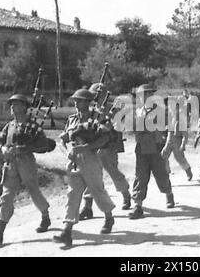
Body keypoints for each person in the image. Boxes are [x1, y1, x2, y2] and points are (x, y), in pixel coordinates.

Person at [0, 94, 51, 246]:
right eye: (11, 105)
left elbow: (44, 144)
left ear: (24, 107)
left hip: (26, 162)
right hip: (10, 163)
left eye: (16, 104)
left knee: (34, 191)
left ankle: (45, 215)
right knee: (6, 196)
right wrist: (3, 148)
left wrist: (25, 148)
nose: (12, 107)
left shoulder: (34, 126)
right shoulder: (10, 126)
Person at [53, 89, 115, 247]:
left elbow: (106, 138)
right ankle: (67, 230)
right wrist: (67, 152)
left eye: (79, 100)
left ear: (87, 102)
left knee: (97, 190)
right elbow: (62, 139)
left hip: (91, 158)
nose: (75, 103)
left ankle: (108, 217)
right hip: (74, 161)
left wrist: (87, 147)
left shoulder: (97, 118)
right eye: (75, 100)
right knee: (72, 195)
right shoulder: (72, 119)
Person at [78, 83, 131, 221]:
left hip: (108, 146)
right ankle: (87, 206)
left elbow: (118, 127)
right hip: (93, 148)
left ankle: (125, 194)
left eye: (98, 95)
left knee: (113, 172)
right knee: (91, 176)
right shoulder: (90, 111)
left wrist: (110, 118)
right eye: (93, 95)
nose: (96, 98)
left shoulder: (112, 109)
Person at [129, 84, 176, 220]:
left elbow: (170, 129)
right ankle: (138, 206)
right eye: (142, 95)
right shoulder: (138, 111)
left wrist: (168, 145)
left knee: (161, 176)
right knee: (140, 177)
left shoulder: (161, 111)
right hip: (142, 149)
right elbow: (132, 130)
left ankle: (168, 192)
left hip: (157, 148)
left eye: (147, 94)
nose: (144, 97)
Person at [161, 98, 193, 181]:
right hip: (169, 139)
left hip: (177, 140)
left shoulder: (181, 116)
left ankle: (188, 170)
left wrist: (183, 144)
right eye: (169, 105)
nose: (170, 107)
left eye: (172, 105)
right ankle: (166, 175)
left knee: (179, 158)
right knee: (163, 156)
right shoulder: (169, 115)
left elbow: (185, 133)